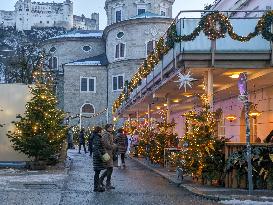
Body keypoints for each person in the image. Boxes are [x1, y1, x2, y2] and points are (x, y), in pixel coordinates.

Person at [100, 124, 116, 190]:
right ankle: (107, 183)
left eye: (112, 127)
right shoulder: (106, 135)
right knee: (110, 168)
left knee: (109, 168)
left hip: (109, 153)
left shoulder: (109, 134)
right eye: (110, 127)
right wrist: (114, 146)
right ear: (107, 128)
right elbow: (107, 145)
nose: (111, 128)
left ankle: (102, 180)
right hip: (106, 153)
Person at [92, 126, 106, 192]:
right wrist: (102, 157)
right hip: (98, 157)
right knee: (97, 172)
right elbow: (97, 149)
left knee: (97, 172)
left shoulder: (97, 137)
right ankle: (96, 187)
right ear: (99, 131)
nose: (102, 132)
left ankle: (97, 187)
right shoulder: (97, 138)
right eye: (101, 131)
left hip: (98, 157)